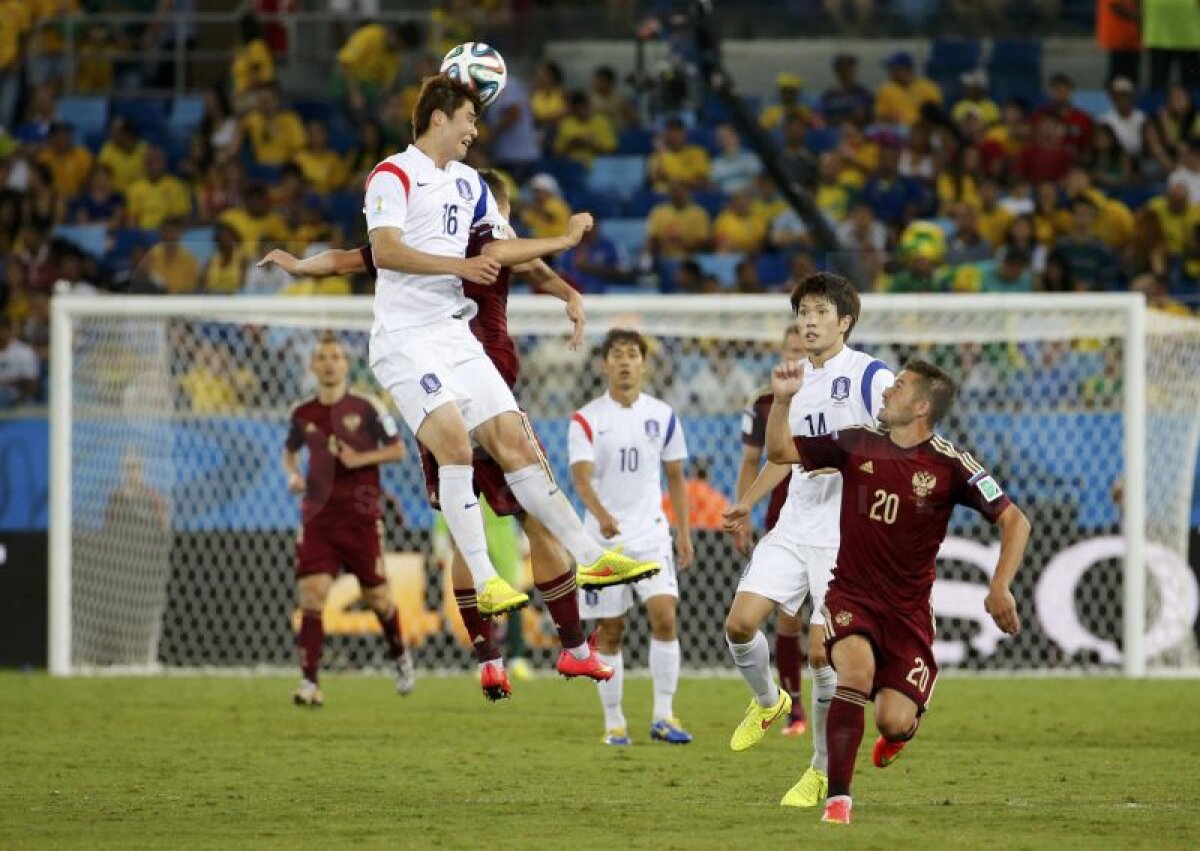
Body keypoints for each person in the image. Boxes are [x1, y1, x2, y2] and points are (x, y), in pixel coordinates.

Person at [261, 166, 616, 700]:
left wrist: (300, 267)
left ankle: (489, 660)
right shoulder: (483, 238)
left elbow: (349, 259)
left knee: (463, 529)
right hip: (479, 386)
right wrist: (569, 279)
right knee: (534, 520)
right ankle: (572, 646)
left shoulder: (426, 242)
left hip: (436, 395)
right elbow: (532, 263)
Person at [765, 360, 1031, 825]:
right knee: (854, 674)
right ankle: (838, 802)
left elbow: (1015, 520)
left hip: (907, 613)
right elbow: (779, 449)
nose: (887, 392)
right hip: (850, 594)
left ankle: (904, 728)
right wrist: (783, 400)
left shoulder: (951, 464)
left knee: (892, 719)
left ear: (922, 406)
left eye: (900, 386)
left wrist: (1000, 586)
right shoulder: (856, 441)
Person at [721, 272, 895, 810]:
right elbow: (785, 456)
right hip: (795, 525)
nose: (809, 321)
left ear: (845, 321)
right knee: (739, 623)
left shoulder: (869, 375)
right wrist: (749, 500)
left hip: (844, 539)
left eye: (820, 312)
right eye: (803, 312)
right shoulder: (794, 380)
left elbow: (899, 437)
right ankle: (770, 701)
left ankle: (819, 770)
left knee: (823, 652)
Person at [569, 328, 695, 746]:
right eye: (617, 355)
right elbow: (580, 479)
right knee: (611, 630)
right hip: (602, 541)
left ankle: (663, 714)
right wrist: (602, 515)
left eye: (632, 355)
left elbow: (675, 477)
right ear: (605, 364)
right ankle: (614, 722)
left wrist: (683, 533)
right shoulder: (587, 418)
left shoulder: (663, 415)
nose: (625, 362)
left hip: (651, 536)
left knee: (664, 616)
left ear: (644, 363)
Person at [282, 334, 412, 708]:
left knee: (378, 599)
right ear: (312, 365)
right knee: (313, 594)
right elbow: (289, 454)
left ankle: (400, 655)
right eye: (321, 356)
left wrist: (360, 458)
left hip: (361, 519)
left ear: (345, 364)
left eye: (335, 357)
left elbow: (398, 449)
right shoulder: (302, 412)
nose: (328, 363)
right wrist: (292, 475)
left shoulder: (368, 406)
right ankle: (309, 683)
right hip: (319, 517)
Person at [731, 326, 811, 738]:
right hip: (781, 519)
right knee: (786, 617)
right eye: (791, 348)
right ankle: (793, 708)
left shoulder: (829, 396)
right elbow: (754, 459)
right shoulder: (764, 402)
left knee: (826, 630)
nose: (797, 355)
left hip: (829, 522)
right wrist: (743, 507)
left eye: (804, 348)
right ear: (782, 351)